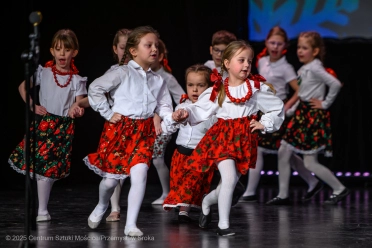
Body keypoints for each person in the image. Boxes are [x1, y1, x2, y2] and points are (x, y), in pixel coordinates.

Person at [168, 40, 284, 236]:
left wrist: (264, 123)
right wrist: (185, 113)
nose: (247, 64)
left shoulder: (255, 88)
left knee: (225, 186)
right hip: (221, 139)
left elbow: (276, 107)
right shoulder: (218, 89)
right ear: (227, 63)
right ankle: (223, 225)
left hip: (243, 141)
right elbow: (200, 109)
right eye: (241, 60)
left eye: (249, 60)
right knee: (228, 178)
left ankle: (206, 201)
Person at [83, 26, 173, 237]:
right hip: (120, 131)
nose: (153, 49)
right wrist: (107, 112)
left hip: (144, 132)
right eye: (148, 45)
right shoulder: (121, 72)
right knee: (110, 180)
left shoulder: (158, 80)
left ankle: (131, 223)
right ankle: (102, 204)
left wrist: (172, 117)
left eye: (156, 46)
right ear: (133, 51)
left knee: (140, 173)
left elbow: (164, 106)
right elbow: (95, 88)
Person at [8, 29, 87, 222]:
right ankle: (42, 211)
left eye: (67, 49)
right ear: (52, 50)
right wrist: (32, 105)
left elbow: (80, 103)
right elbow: (22, 87)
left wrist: (76, 109)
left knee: (51, 169)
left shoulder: (77, 79)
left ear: (74, 53)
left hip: (63, 127)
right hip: (45, 124)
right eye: (58, 49)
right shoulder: (43, 73)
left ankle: (43, 207)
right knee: (43, 167)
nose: (62, 54)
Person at [266, 31, 349, 206]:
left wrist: (325, 104)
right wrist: (293, 109)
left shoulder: (315, 67)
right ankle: (283, 194)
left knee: (310, 162)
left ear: (316, 51)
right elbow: (303, 93)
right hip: (302, 115)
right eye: (299, 48)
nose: (300, 51)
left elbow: (334, 84)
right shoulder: (305, 68)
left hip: (312, 118)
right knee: (283, 151)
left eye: (305, 48)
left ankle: (339, 188)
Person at [240, 26, 321, 203]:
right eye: (272, 42)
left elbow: (300, 91)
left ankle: (251, 191)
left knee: (267, 149)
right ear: (266, 43)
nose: (275, 46)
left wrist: (285, 107)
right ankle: (312, 181)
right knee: (285, 153)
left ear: (284, 45)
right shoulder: (261, 61)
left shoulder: (286, 67)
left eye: (279, 43)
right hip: (263, 110)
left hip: (277, 111)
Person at [162, 64, 216, 222]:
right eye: (191, 85)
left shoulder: (210, 110)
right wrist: (174, 118)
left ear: (209, 87)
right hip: (180, 154)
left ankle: (183, 212)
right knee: (179, 185)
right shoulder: (182, 106)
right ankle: (184, 207)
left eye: (200, 85)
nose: (195, 90)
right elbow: (170, 127)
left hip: (198, 156)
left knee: (190, 185)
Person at [150, 39, 186, 205]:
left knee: (157, 159)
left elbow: (182, 98)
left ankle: (167, 193)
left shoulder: (166, 77)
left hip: (163, 125)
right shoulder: (143, 75)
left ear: (161, 56)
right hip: (146, 124)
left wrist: (173, 116)